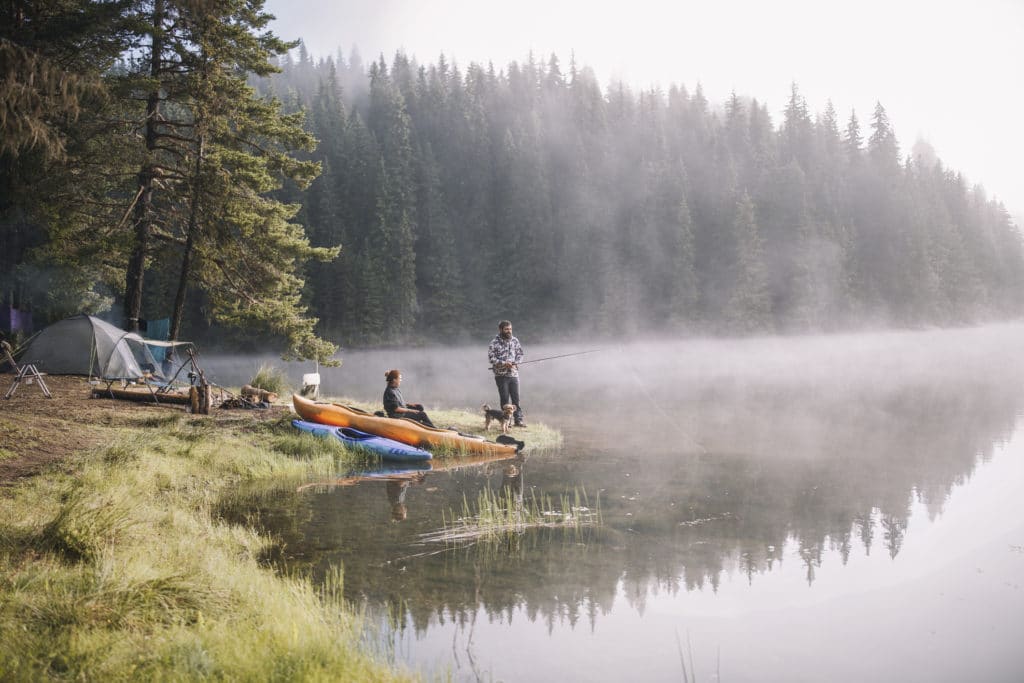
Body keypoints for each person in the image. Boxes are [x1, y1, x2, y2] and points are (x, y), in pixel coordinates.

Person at [487, 320, 525, 427]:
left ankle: (518, 420)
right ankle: (506, 422)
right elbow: (491, 358)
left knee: (516, 399)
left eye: (510, 329)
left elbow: (520, 354)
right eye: (506, 329)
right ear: (501, 330)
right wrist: (504, 363)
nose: (509, 331)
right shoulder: (494, 342)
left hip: (514, 374)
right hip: (501, 375)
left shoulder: (515, 340)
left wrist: (515, 362)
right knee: (504, 399)